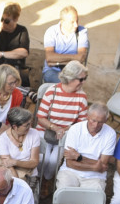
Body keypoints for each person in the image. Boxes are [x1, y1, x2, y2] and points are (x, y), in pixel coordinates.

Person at [35, 61, 89, 195]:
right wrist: (55, 128)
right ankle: (37, 178)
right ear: (70, 79)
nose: (83, 82)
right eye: (81, 79)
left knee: (53, 161)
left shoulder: (81, 97)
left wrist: (65, 131)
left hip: (66, 133)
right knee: (42, 158)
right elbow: (41, 117)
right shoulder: (52, 92)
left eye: (84, 79)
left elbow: (81, 123)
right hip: (45, 130)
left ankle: (46, 180)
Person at [54, 102, 116, 204]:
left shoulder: (110, 134)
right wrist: (94, 166)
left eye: (100, 122)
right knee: (61, 196)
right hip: (70, 172)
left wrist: (79, 157)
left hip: (95, 177)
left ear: (106, 121)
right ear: (87, 116)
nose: (96, 125)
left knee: (95, 200)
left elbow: (103, 164)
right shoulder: (75, 129)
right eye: (93, 120)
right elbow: (70, 163)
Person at [0, 107, 41, 187]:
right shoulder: (3, 139)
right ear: (15, 127)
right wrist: (18, 184)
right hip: (11, 175)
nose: (30, 127)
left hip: (30, 174)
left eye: (30, 123)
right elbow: (9, 166)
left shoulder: (34, 133)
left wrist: (15, 162)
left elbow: (34, 162)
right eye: (27, 125)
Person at [0, 2, 31, 88]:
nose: (3, 23)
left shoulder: (22, 31)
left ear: (16, 19)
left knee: (17, 84)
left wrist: (1, 54)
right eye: (1, 19)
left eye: (6, 21)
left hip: (14, 68)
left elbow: (23, 52)